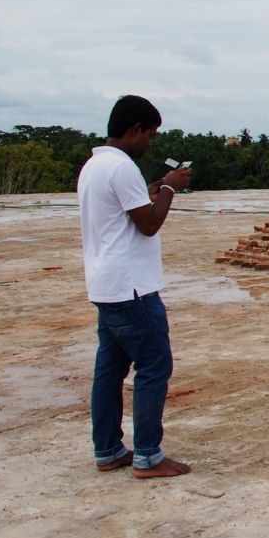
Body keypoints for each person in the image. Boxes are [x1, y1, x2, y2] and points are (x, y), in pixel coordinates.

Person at [78, 95, 193, 478]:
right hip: (133, 289)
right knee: (154, 367)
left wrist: (157, 185)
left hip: (105, 285)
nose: (151, 143)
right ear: (135, 129)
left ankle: (108, 449)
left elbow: (128, 206)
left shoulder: (95, 166)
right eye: (151, 135)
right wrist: (171, 190)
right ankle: (148, 456)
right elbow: (148, 224)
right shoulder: (123, 167)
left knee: (110, 370)